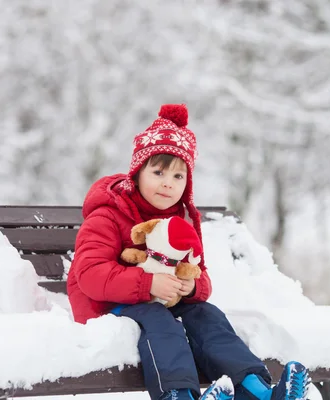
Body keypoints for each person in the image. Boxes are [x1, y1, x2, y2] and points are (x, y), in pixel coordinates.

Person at [67, 104, 310, 400]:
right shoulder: (108, 215)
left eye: (178, 177)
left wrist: (191, 286)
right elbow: (90, 275)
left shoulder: (180, 222)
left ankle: (256, 391)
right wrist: (148, 283)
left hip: (163, 302)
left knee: (207, 315)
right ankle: (178, 395)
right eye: (158, 172)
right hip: (107, 305)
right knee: (159, 320)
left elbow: (201, 274)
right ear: (137, 173)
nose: (168, 183)